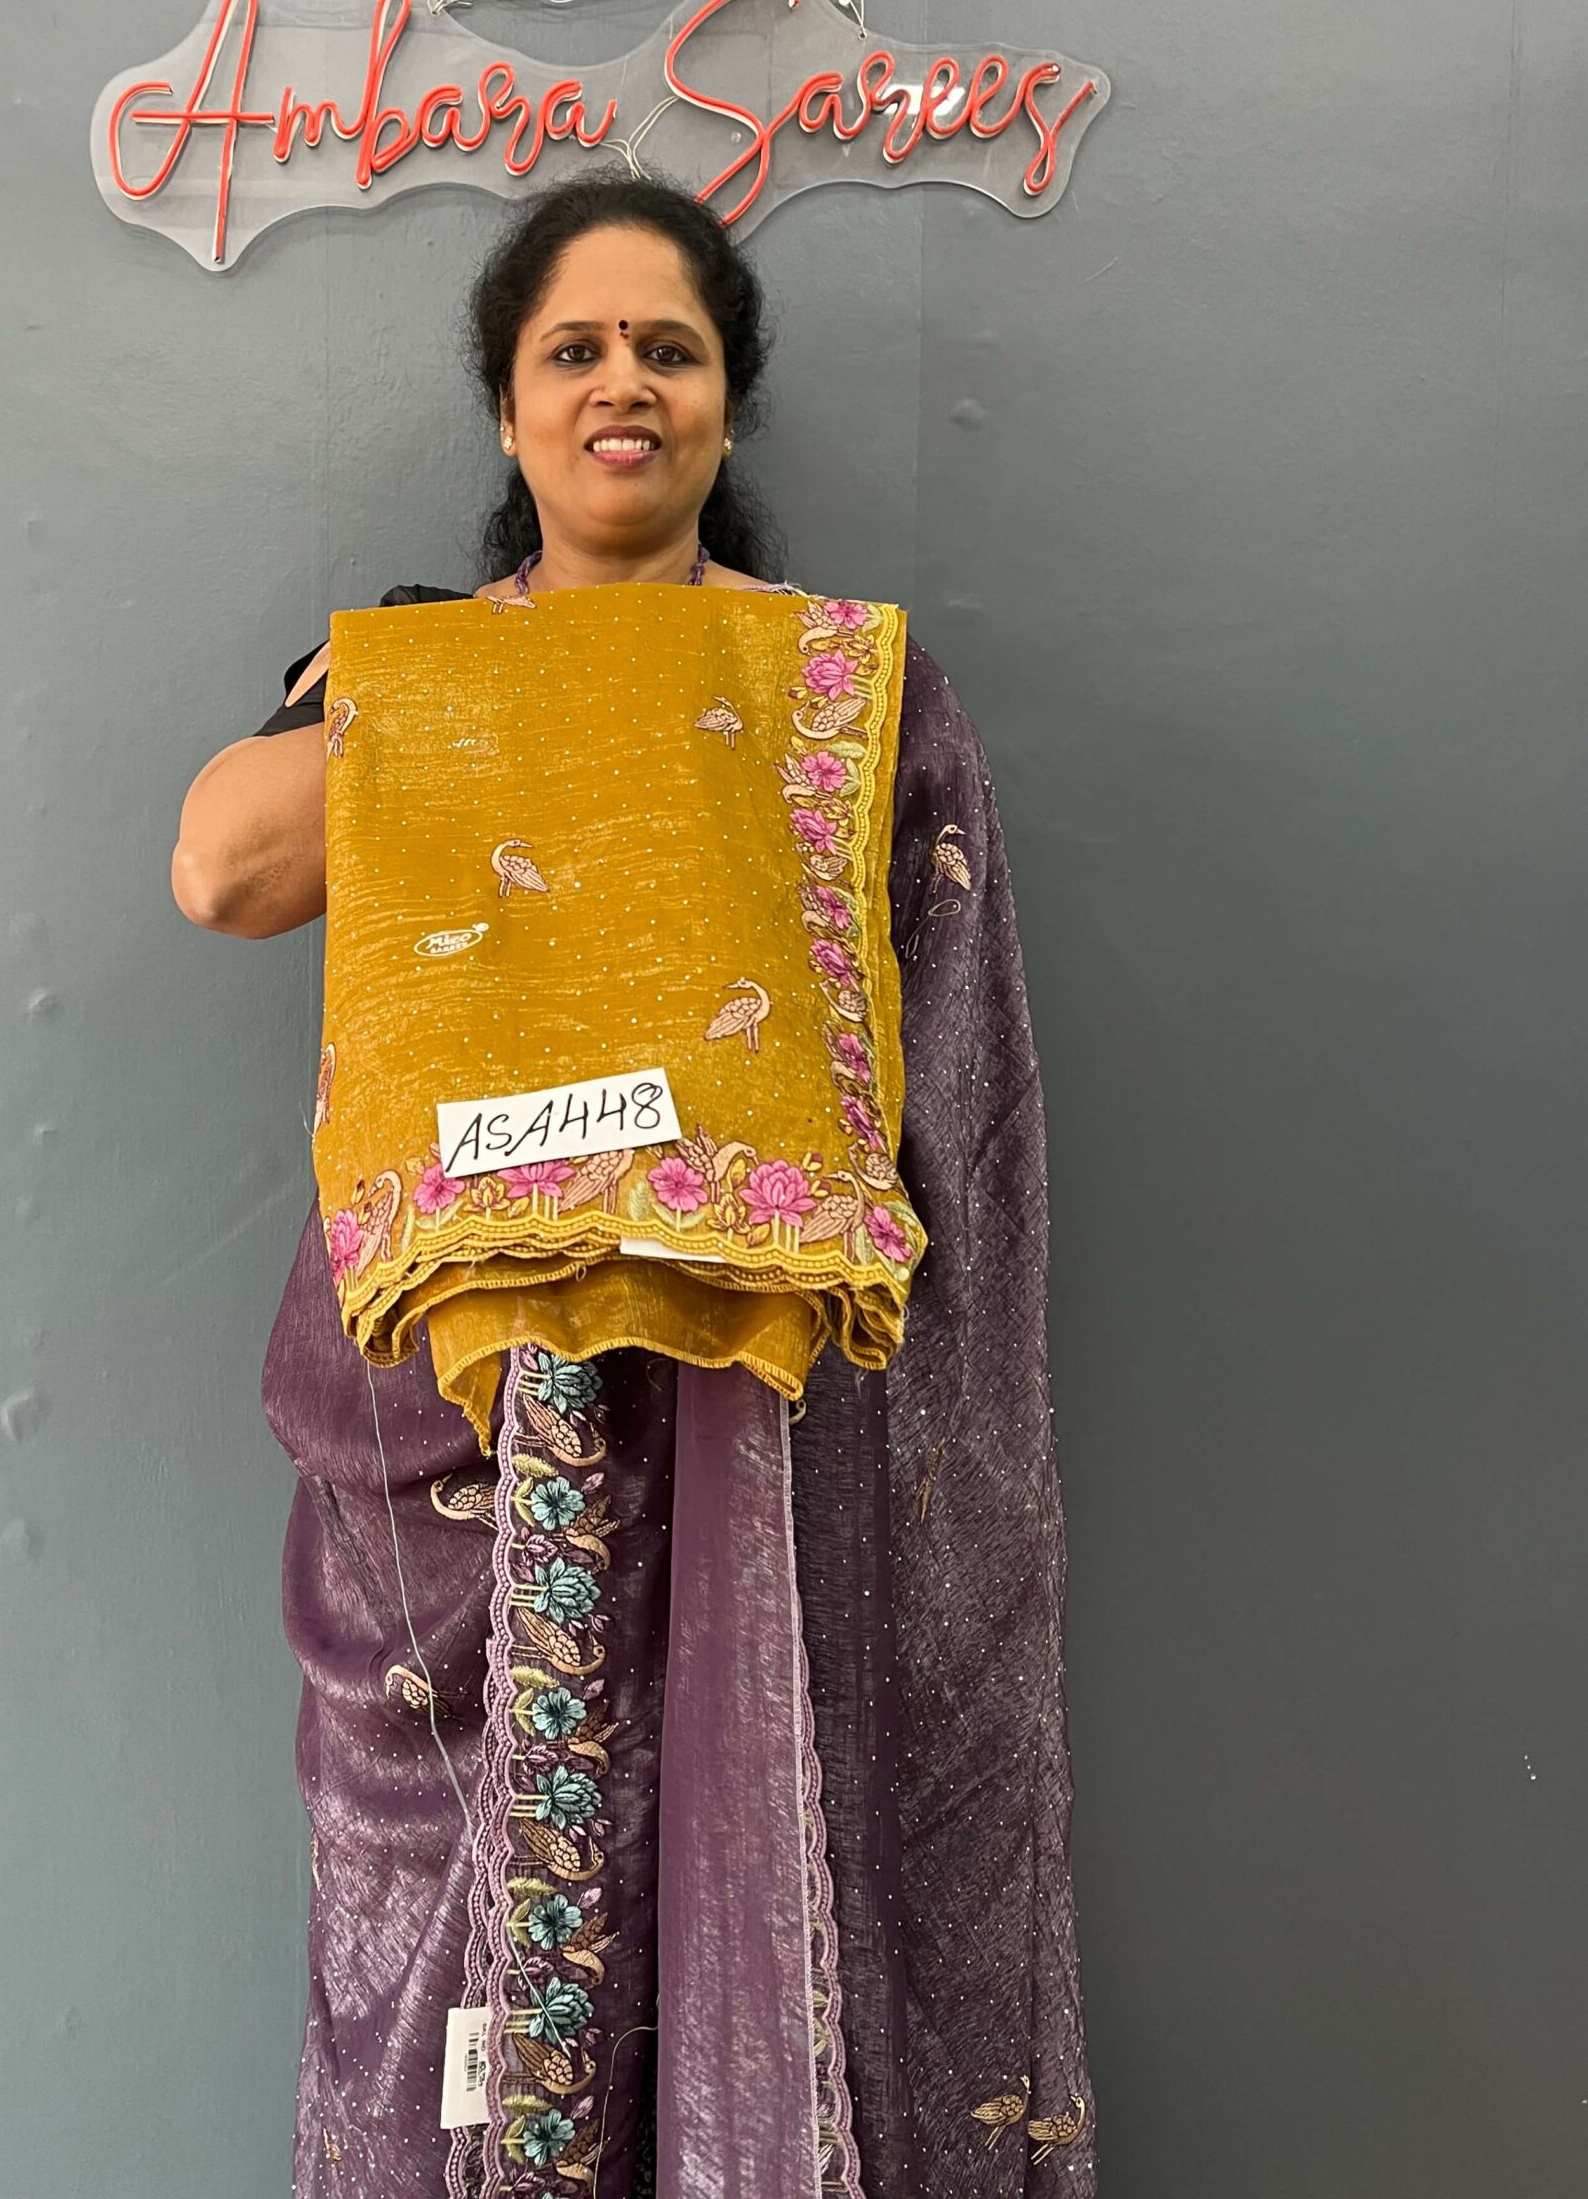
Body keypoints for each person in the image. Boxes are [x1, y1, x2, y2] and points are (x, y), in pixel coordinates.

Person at [172, 171, 1093, 2198]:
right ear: (506, 409)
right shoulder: (414, 668)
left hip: (760, 1406)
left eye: (667, 350)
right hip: (467, 1420)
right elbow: (222, 869)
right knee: (454, 1948)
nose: (622, 385)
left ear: (724, 405)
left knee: (757, 1877)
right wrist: (456, 699)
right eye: (572, 350)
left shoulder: (842, 695)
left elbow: (949, 1103)